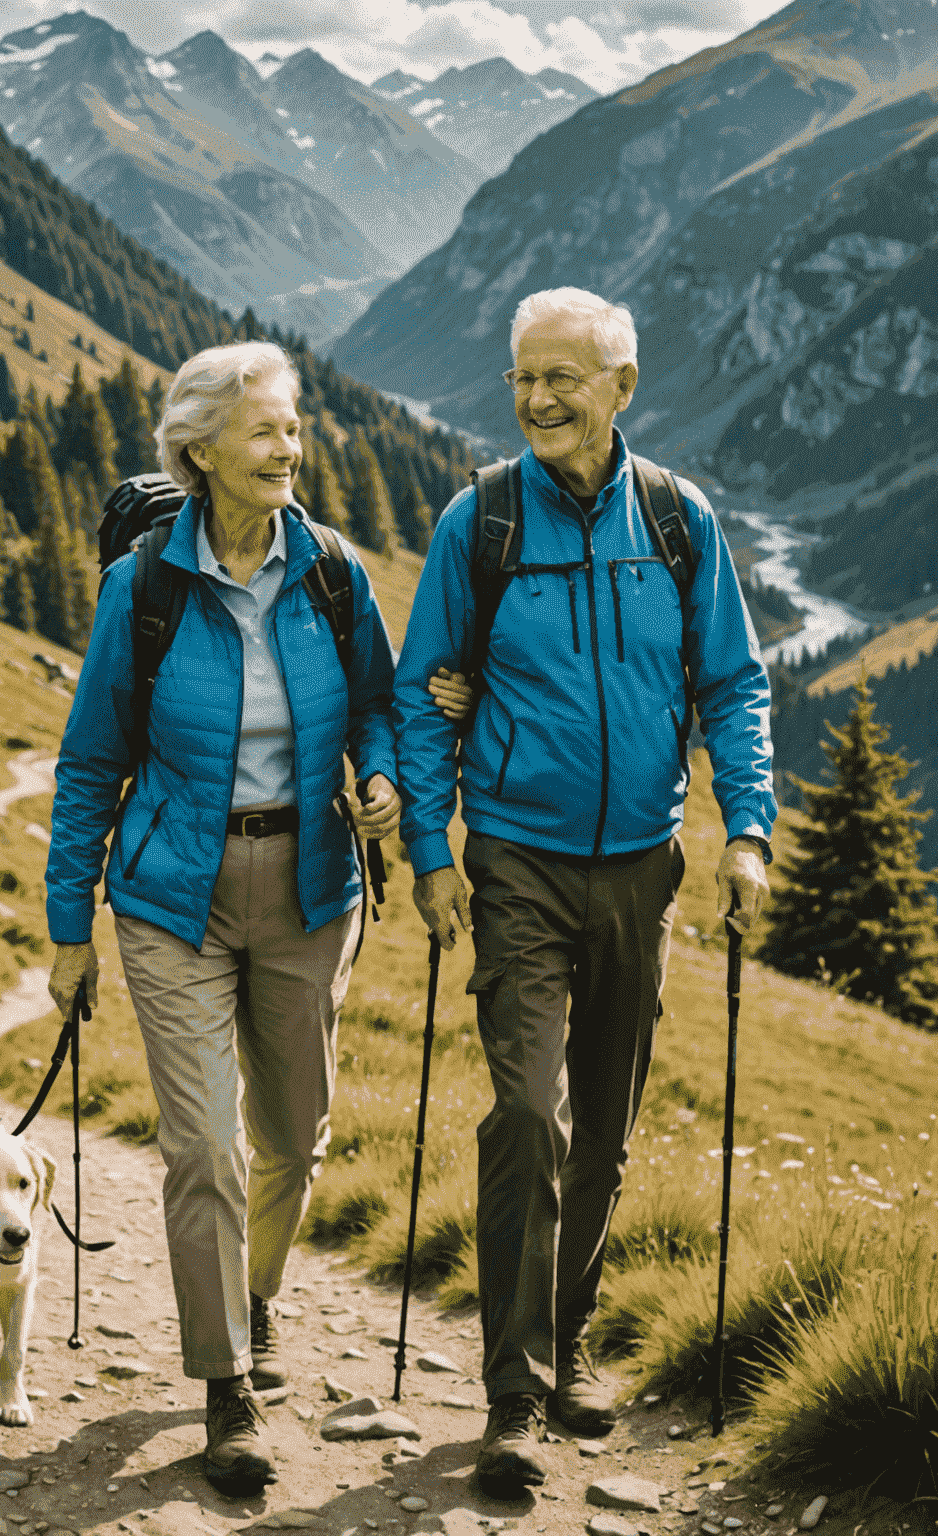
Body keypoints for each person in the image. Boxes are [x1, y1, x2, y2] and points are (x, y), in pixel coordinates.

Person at [393, 288, 775, 1494]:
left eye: (566, 376)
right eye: (523, 378)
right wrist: (433, 849)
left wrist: (748, 832)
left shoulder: (676, 521)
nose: (541, 398)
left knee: (602, 1129)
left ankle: (570, 1352)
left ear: (623, 383)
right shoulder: (483, 523)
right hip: (516, 860)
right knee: (526, 1115)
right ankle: (512, 1397)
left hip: (645, 866)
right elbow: (422, 691)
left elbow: (735, 685)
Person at [45, 341, 400, 1494]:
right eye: (264, 431)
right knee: (206, 1143)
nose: (288, 449)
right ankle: (226, 1382)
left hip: (309, 894)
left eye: (294, 428)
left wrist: (384, 776)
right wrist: (66, 931)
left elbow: (382, 711)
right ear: (198, 451)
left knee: (295, 1139)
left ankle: (256, 1298)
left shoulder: (335, 573)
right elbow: (91, 761)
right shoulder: (142, 590)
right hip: (171, 901)